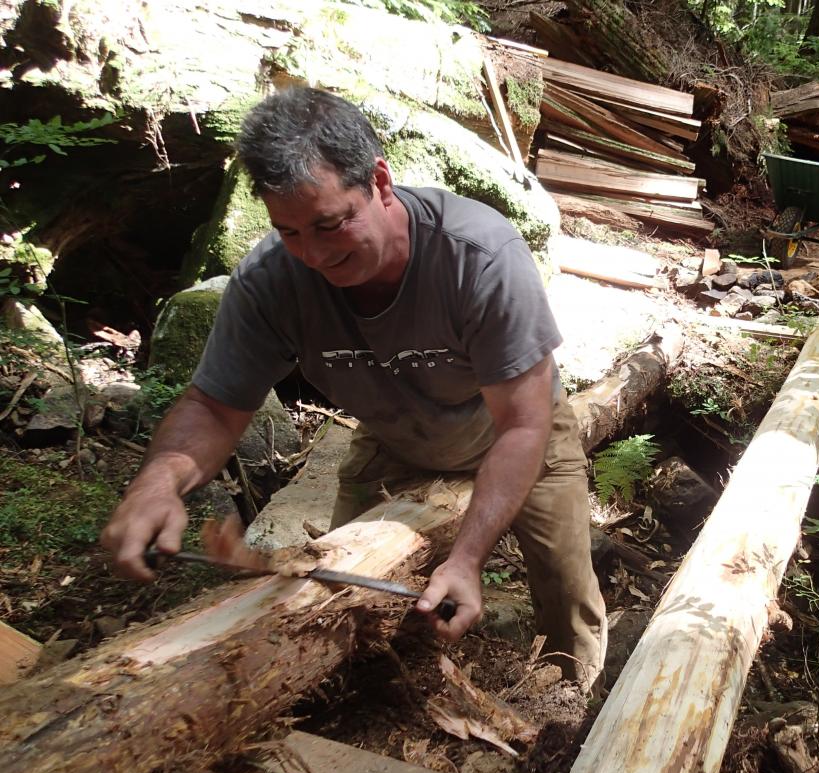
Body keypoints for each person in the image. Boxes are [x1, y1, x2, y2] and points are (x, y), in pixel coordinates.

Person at [101, 87, 607, 688]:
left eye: (330, 224)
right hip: (396, 437)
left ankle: (574, 709)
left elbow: (523, 425)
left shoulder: (479, 256)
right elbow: (214, 405)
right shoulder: (270, 280)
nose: (313, 255)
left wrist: (467, 559)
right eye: (289, 232)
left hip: (516, 433)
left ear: (381, 182)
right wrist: (158, 483)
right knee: (340, 590)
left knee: (567, 590)